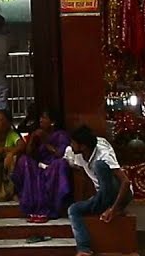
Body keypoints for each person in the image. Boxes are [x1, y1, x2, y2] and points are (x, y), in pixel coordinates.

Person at [66, 126, 133, 256]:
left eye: (73, 143)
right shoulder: (77, 154)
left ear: (83, 146)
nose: (71, 145)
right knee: (73, 210)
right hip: (101, 196)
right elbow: (85, 178)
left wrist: (113, 209)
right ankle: (84, 249)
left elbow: (125, 182)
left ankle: (110, 205)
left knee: (100, 165)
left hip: (118, 194)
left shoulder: (103, 155)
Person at [11, 108, 72, 223]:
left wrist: (45, 140)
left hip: (52, 166)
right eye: (40, 117)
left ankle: (49, 209)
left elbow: (59, 154)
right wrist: (33, 139)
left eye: (44, 118)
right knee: (24, 161)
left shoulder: (61, 135)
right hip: (39, 166)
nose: (41, 120)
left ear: (52, 122)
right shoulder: (37, 133)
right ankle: (32, 207)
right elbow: (29, 153)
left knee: (59, 165)